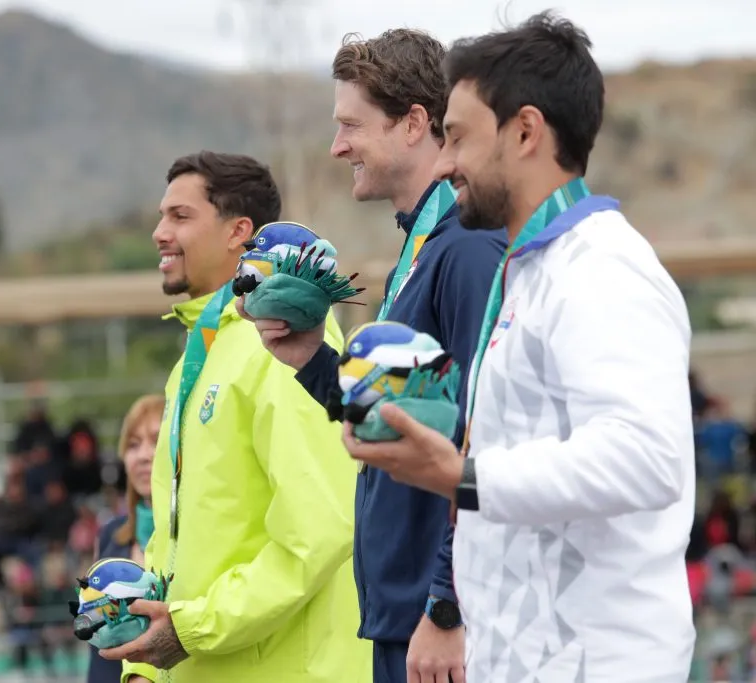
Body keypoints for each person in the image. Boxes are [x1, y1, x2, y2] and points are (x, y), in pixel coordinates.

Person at [342, 12, 696, 681]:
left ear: (526, 131)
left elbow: (649, 458)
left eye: (457, 138)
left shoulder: (602, 270)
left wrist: (461, 475)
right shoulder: (531, 268)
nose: (444, 163)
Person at [238, 29, 504, 683]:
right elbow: (394, 421)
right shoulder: (421, 249)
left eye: (351, 125)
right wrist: (306, 354)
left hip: (433, 620)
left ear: (415, 123)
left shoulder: (466, 250)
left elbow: (484, 431)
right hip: (398, 614)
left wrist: (447, 604)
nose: (337, 147)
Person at [100, 151, 370, 682]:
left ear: (238, 232)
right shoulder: (198, 356)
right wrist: (146, 669)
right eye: (161, 215)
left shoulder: (282, 340)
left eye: (180, 216)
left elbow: (318, 531)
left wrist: (189, 630)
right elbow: (173, 540)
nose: (159, 232)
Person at [87, 393, 164, 683]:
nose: (144, 455)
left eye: (155, 441)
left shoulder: (196, 534)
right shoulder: (111, 534)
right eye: (133, 444)